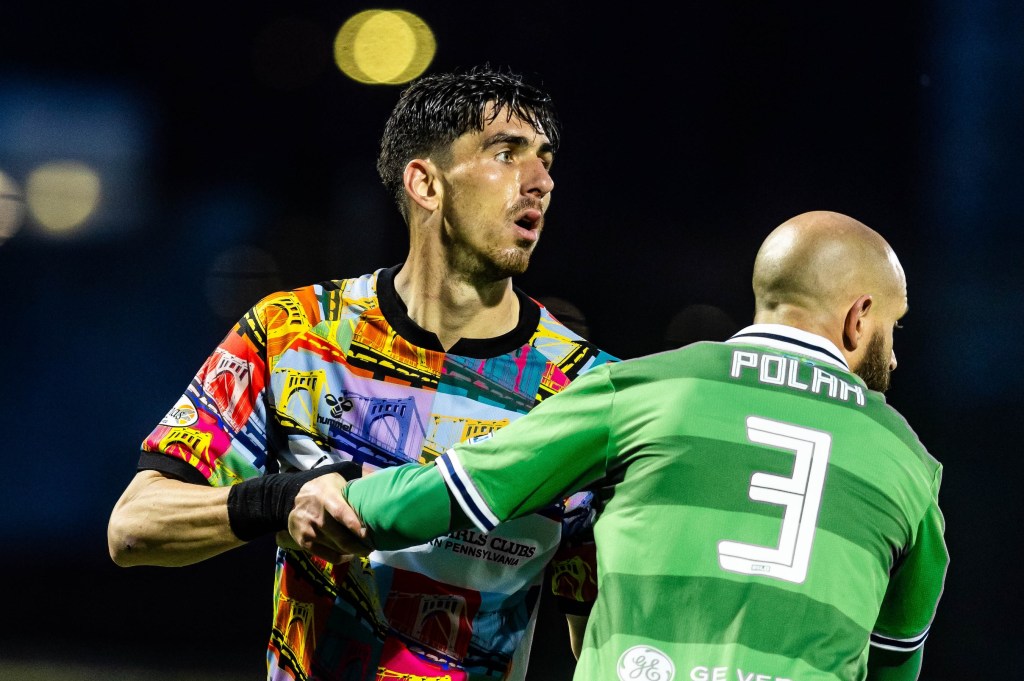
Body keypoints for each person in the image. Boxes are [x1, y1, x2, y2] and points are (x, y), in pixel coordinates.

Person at [107, 65, 617, 681]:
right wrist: (280, 500)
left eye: (545, 159)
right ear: (426, 184)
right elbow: (133, 527)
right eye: (505, 154)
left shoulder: (588, 389)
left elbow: (599, 630)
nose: (540, 181)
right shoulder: (295, 331)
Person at [329, 210, 949, 681]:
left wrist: (322, 498)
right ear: (859, 317)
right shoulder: (908, 464)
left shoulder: (647, 389)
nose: (893, 352)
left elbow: (458, 491)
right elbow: (893, 661)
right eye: (893, 327)